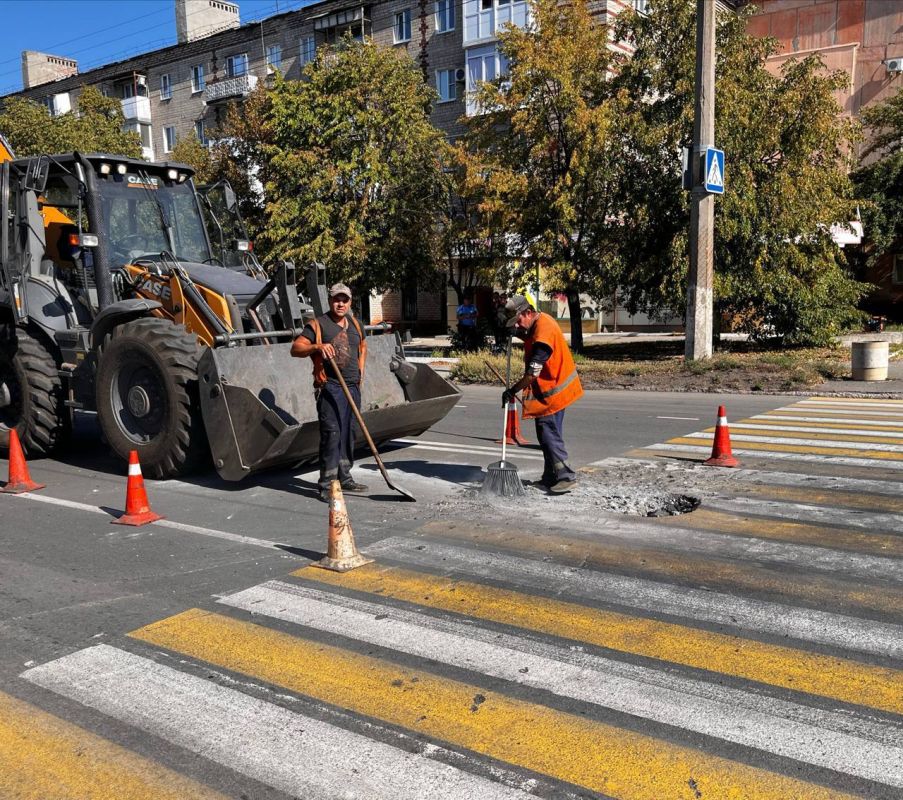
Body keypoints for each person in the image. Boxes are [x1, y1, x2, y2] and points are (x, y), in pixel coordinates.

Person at [291, 283, 369, 502]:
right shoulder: (318, 325)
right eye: (337, 299)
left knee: (349, 433)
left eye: (344, 300)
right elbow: (295, 348)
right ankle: (327, 484)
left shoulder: (355, 324)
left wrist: (361, 373)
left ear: (350, 302)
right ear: (330, 300)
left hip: (353, 387)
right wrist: (317, 347)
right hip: (331, 388)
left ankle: (345, 477)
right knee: (332, 435)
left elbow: (362, 347)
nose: (340, 303)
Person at [502, 295, 583, 493]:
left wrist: (512, 390)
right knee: (546, 434)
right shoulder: (539, 322)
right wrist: (516, 332)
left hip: (553, 393)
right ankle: (550, 477)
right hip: (551, 391)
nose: (519, 326)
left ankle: (565, 476)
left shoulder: (543, 333)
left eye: (519, 321)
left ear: (528, 312)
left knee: (548, 434)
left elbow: (532, 373)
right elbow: (529, 334)